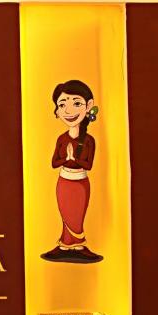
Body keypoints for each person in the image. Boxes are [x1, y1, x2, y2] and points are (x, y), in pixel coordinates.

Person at [41, 79, 103, 264]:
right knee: (65, 213)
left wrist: (74, 159)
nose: (68, 111)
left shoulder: (89, 140)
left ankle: (79, 246)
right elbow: (54, 162)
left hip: (80, 182)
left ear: (88, 106)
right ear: (57, 111)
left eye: (76, 103)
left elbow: (88, 164)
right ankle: (64, 245)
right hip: (64, 180)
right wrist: (66, 159)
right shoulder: (61, 138)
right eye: (62, 104)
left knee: (77, 214)